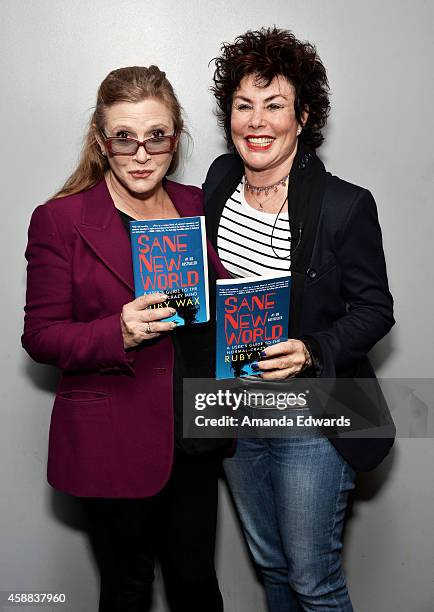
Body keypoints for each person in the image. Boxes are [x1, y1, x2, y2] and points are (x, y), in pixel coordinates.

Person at [22, 65, 229, 612]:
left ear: (175, 136)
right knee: (128, 591)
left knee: (196, 587)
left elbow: (215, 300)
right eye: (124, 138)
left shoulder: (193, 205)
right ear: (101, 139)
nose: (141, 153)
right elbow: (40, 336)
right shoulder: (59, 220)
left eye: (156, 136)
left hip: (191, 436)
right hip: (111, 435)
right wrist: (116, 331)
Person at [203, 28, 395, 611]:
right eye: (243, 105)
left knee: (313, 578)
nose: (257, 121)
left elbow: (375, 310)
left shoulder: (345, 205)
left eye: (275, 104)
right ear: (229, 115)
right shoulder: (215, 183)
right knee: (270, 565)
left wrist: (311, 348)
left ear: (303, 115)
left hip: (314, 414)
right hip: (235, 411)